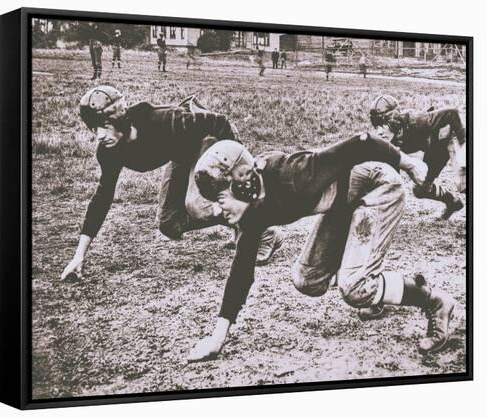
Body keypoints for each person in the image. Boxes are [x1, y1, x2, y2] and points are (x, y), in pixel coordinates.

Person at [187, 133, 456, 362]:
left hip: (378, 187)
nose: (217, 209)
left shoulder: (293, 174)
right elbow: (241, 272)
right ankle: (374, 290)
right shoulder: (252, 211)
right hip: (344, 202)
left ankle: (433, 300)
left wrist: (407, 163)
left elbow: (361, 142)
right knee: (307, 280)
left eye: (220, 197)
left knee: (354, 286)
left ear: (241, 182)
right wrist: (216, 338)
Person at [60, 85, 284, 282]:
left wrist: (235, 173)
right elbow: (102, 197)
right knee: (169, 223)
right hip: (183, 153)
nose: (100, 135)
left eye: (105, 126)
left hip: (209, 140)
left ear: (119, 119)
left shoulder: (166, 120)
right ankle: (240, 224)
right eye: (94, 128)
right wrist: (79, 255)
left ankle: (263, 228)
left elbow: (218, 123)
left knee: (198, 205)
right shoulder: (109, 151)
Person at [369, 94, 465, 220]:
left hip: (449, 135)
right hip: (434, 149)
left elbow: (452, 113)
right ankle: (453, 202)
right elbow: (393, 177)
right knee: (421, 190)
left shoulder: (416, 120)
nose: (379, 131)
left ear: (394, 120)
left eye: (383, 124)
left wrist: (464, 146)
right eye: (376, 126)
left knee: (462, 183)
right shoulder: (388, 141)